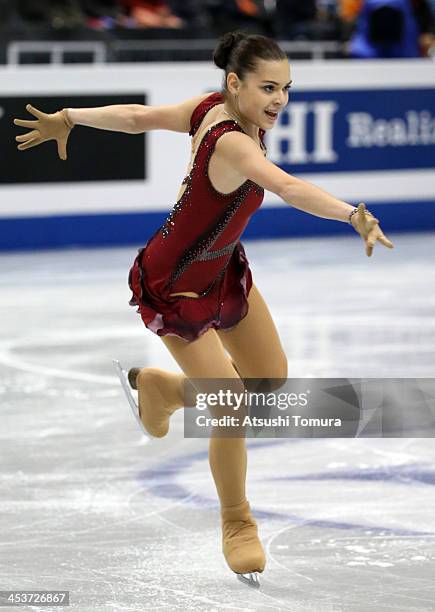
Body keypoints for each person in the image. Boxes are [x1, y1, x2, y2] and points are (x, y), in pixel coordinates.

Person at [13, 31, 394, 588]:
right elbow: (286, 186)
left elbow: (139, 118)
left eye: (286, 88)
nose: (279, 100)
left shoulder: (212, 109)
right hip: (174, 283)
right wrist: (352, 214)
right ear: (235, 85)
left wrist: (71, 117)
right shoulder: (231, 140)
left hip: (221, 269)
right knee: (233, 404)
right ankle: (237, 522)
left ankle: (165, 391)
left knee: (269, 380)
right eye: (268, 87)